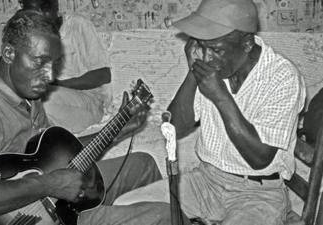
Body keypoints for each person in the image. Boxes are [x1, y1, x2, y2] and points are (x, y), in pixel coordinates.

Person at [0, 10, 168, 224]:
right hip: (45, 215)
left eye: (53, 63)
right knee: (163, 216)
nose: (50, 75)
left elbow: (58, 156)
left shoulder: (29, 97)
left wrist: (119, 129)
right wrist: (48, 185)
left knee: (144, 164)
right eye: (40, 61)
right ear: (8, 54)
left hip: (57, 199)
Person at [113, 0, 306, 224]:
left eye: (215, 49)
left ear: (246, 44)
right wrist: (193, 72)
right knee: (125, 208)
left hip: (258, 193)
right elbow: (175, 127)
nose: (208, 57)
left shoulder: (283, 77)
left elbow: (260, 159)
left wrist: (220, 97)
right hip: (206, 180)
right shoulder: (211, 63)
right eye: (201, 46)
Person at [21, 0, 113, 134]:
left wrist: (58, 84)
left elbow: (103, 75)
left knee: (44, 101)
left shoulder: (78, 25)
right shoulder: (30, 38)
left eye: (45, 7)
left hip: (90, 103)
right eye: (32, 12)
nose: (40, 16)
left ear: (55, 6)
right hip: (54, 101)